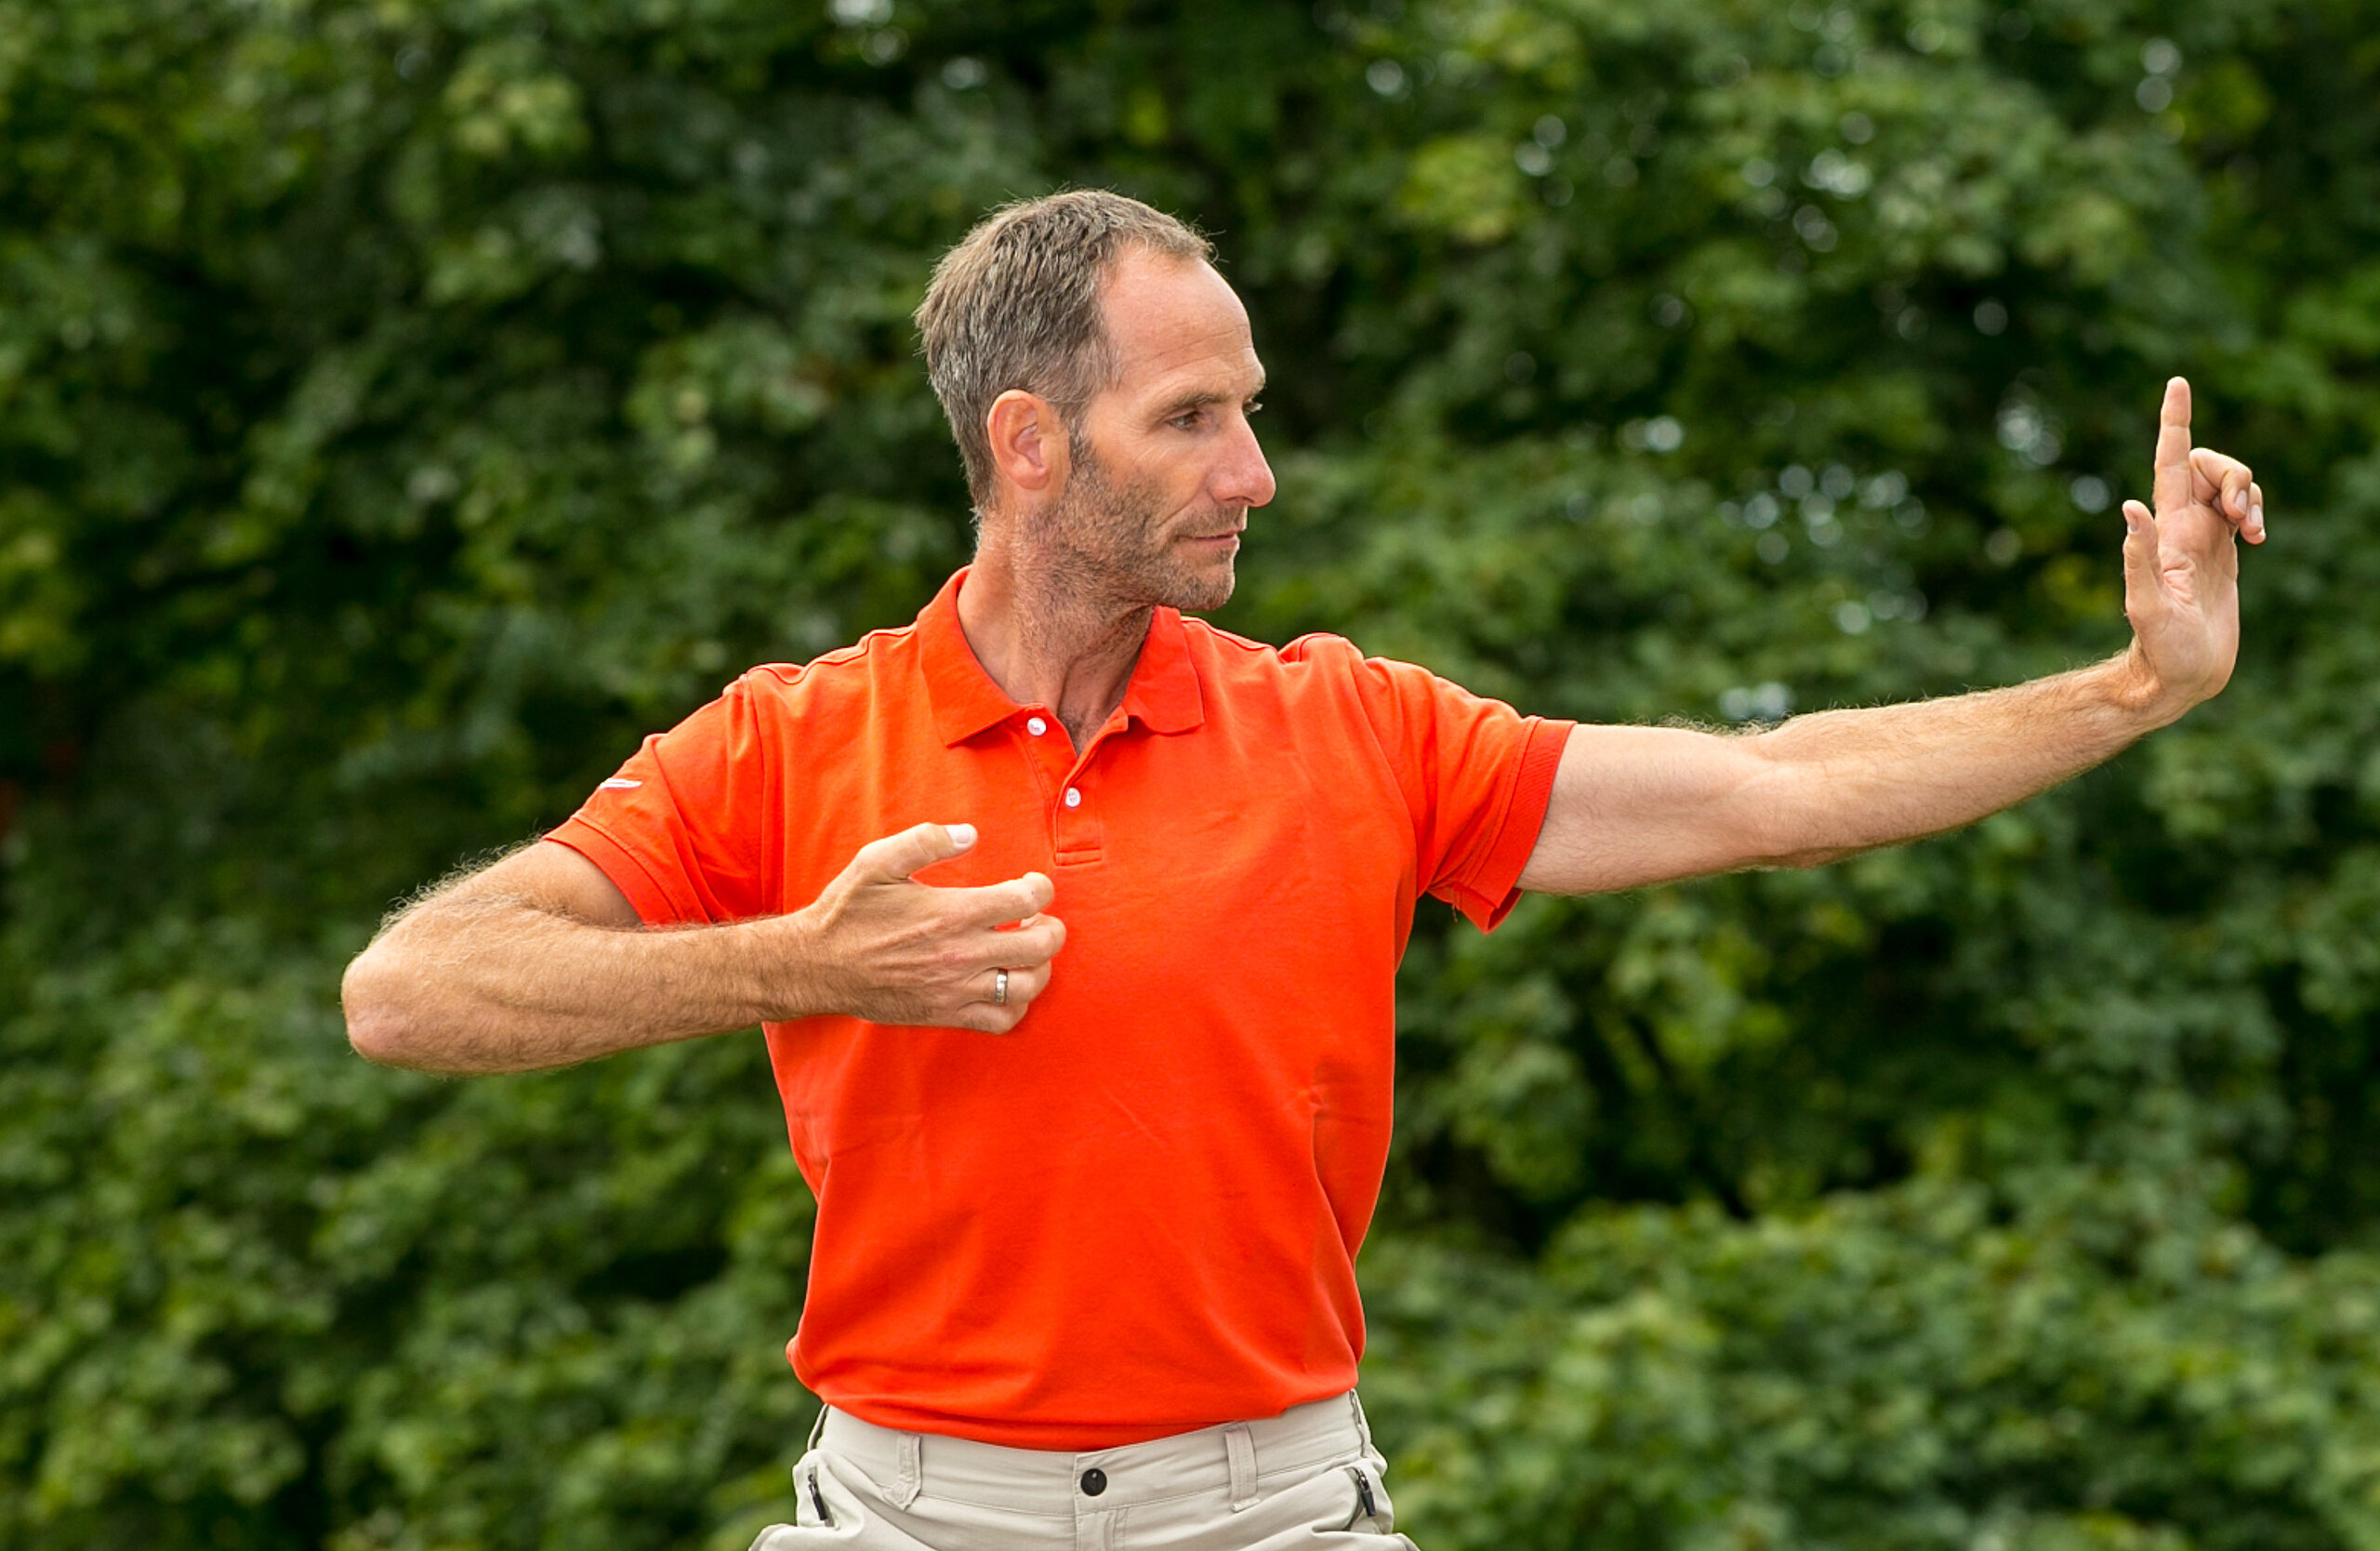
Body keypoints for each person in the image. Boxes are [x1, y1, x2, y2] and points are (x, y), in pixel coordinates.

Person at [339, 190, 2266, 1550]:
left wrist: (2127, 687)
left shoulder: (1354, 732)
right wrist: (795, 965)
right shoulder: (787, 743)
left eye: (1246, 411)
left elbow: (1771, 781)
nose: (1251, 471)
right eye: (1190, 419)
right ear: (1027, 445)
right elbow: (409, 992)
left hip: (1272, 1514)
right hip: (900, 1516)